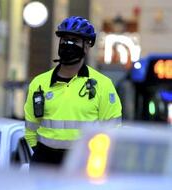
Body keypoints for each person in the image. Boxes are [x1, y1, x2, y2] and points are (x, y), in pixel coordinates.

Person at [24, 16, 122, 166]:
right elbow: (30, 129)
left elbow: (112, 131)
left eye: (75, 40)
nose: (68, 44)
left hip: (83, 163)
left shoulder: (103, 85)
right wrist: (40, 154)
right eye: (64, 39)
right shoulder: (39, 83)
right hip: (44, 162)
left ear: (87, 46)